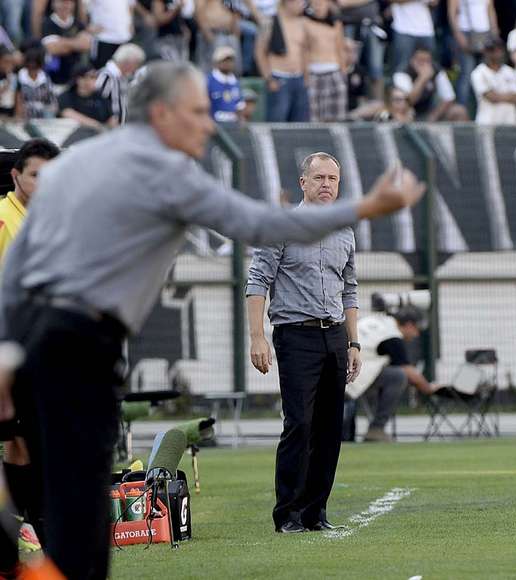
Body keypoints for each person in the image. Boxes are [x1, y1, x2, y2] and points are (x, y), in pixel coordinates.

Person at [0, 60, 425, 579]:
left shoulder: (76, 164)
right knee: (81, 504)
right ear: (162, 113)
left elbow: (20, 265)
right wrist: (368, 206)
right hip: (78, 341)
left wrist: (7, 348)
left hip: (30, 335)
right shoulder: (168, 173)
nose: (209, 123)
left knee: (40, 472)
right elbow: (260, 222)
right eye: (199, 111)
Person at [246, 152, 362, 534]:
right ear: (303, 183)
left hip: (334, 335)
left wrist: (354, 343)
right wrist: (257, 336)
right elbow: (257, 281)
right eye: (319, 178)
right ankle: (288, 514)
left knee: (331, 428)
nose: (326, 184)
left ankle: (316, 512)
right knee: (299, 424)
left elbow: (350, 291)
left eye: (332, 178)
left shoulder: (345, 232)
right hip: (296, 335)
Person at [0, 138, 59, 560]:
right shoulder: (4, 218)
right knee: (21, 440)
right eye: (37, 174)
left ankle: (31, 528)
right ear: (16, 176)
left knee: (32, 441)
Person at [349, 306, 437, 443]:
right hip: (352, 377)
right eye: (417, 330)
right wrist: (429, 388)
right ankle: (376, 429)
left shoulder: (379, 321)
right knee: (398, 376)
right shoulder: (393, 336)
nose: (417, 335)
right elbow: (408, 371)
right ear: (408, 325)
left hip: (340, 368)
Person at [256, 0, 310, 122]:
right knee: (277, 121)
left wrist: (306, 77)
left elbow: (305, 52)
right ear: (288, 3)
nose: (302, 5)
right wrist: (269, 78)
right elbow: (259, 52)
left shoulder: (302, 23)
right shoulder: (270, 23)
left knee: (300, 123)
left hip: (299, 78)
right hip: (279, 78)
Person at [392, 46, 469, 122]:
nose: (424, 64)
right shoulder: (402, 72)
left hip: (429, 112)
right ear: (412, 60)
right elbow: (408, 101)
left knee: (459, 111)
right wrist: (422, 79)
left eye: (427, 61)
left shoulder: (437, 71)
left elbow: (449, 98)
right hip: (409, 112)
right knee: (402, 110)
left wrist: (434, 116)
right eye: (420, 60)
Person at [447, 0, 499, 109]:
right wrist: (458, 35)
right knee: (466, 74)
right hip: (466, 31)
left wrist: (494, 35)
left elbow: (490, 9)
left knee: (485, 73)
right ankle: (462, 111)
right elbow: (452, 12)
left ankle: (483, 110)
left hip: (485, 33)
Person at [304, 0, 347, 122]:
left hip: (334, 71)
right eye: (315, 3)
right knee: (316, 117)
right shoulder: (306, 23)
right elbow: (305, 51)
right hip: (315, 72)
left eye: (321, 3)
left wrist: (343, 73)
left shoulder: (336, 23)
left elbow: (340, 48)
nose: (318, 6)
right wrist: (306, 76)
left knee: (337, 116)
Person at [40, 0, 92, 89]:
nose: (64, 5)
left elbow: (86, 45)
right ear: (53, 3)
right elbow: (52, 48)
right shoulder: (47, 24)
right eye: (61, 2)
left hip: (76, 81)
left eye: (68, 2)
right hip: (55, 80)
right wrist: (76, 43)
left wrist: (61, 42)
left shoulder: (78, 24)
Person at [470, 37, 516, 125]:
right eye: (490, 50)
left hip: (509, 123)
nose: (494, 53)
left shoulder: (510, 71)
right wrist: (510, 96)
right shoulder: (478, 73)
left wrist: (498, 95)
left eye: (497, 49)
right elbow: (491, 97)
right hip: (487, 123)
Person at [96, 42, 146, 124]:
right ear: (128, 62)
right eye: (137, 64)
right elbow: (99, 100)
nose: (136, 68)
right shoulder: (107, 76)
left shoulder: (123, 77)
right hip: (109, 127)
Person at [58, 63, 117, 129]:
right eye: (92, 77)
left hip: (101, 135)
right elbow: (68, 114)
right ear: (79, 80)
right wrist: (98, 126)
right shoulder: (66, 96)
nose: (96, 80)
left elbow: (112, 118)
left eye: (96, 77)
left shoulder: (101, 97)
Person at [195, 0, 241, 73]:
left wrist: (236, 34)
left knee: (233, 66)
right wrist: (208, 35)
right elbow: (199, 14)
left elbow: (234, 12)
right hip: (213, 34)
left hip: (229, 34)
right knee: (212, 68)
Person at [87, 0, 135, 68]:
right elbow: (83, 5)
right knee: (101, 72)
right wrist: (86, 26)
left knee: (125, 72)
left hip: (124, 37)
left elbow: (130, 5)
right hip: (104, 38)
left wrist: (131, 23)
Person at [16, 45, 58, 119]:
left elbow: (52, 101)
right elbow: (18, 102)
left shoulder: (46, 79)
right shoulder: (19, 78)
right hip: (24, 115)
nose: (33, 70)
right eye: (30, 67)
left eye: (35, 67)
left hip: (43, 117)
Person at [207, 44, 244, 122]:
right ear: (217, 62)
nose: (228, 63)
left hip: (232, 126)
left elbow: (239, 106)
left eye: (231, 60)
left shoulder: (235, 82)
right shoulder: (209, 81)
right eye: (225, 60)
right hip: (214, 125)